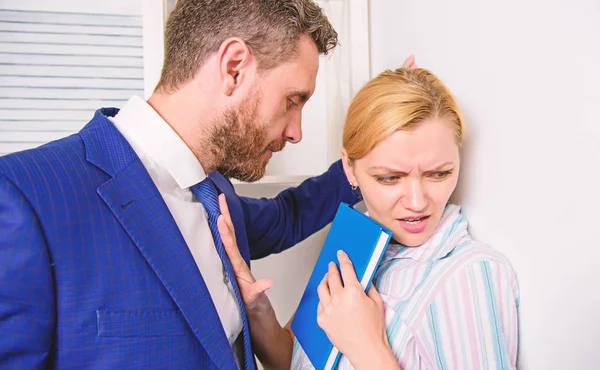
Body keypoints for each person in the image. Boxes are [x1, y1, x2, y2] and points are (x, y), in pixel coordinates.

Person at [0, 1, 363, 369]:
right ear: (234, 67)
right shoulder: (24, 198)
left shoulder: (218, 197)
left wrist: (370, 161)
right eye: (293, 100)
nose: (296, 132)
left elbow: (287, 217)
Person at [220, 67, 520, 369]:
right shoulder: (355, 240)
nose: (417, 203)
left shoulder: (467, 275)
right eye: (390, 178)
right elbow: (295, 361)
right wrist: (256, 312)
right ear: (349, 169)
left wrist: (367, 347)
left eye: (438, 174)